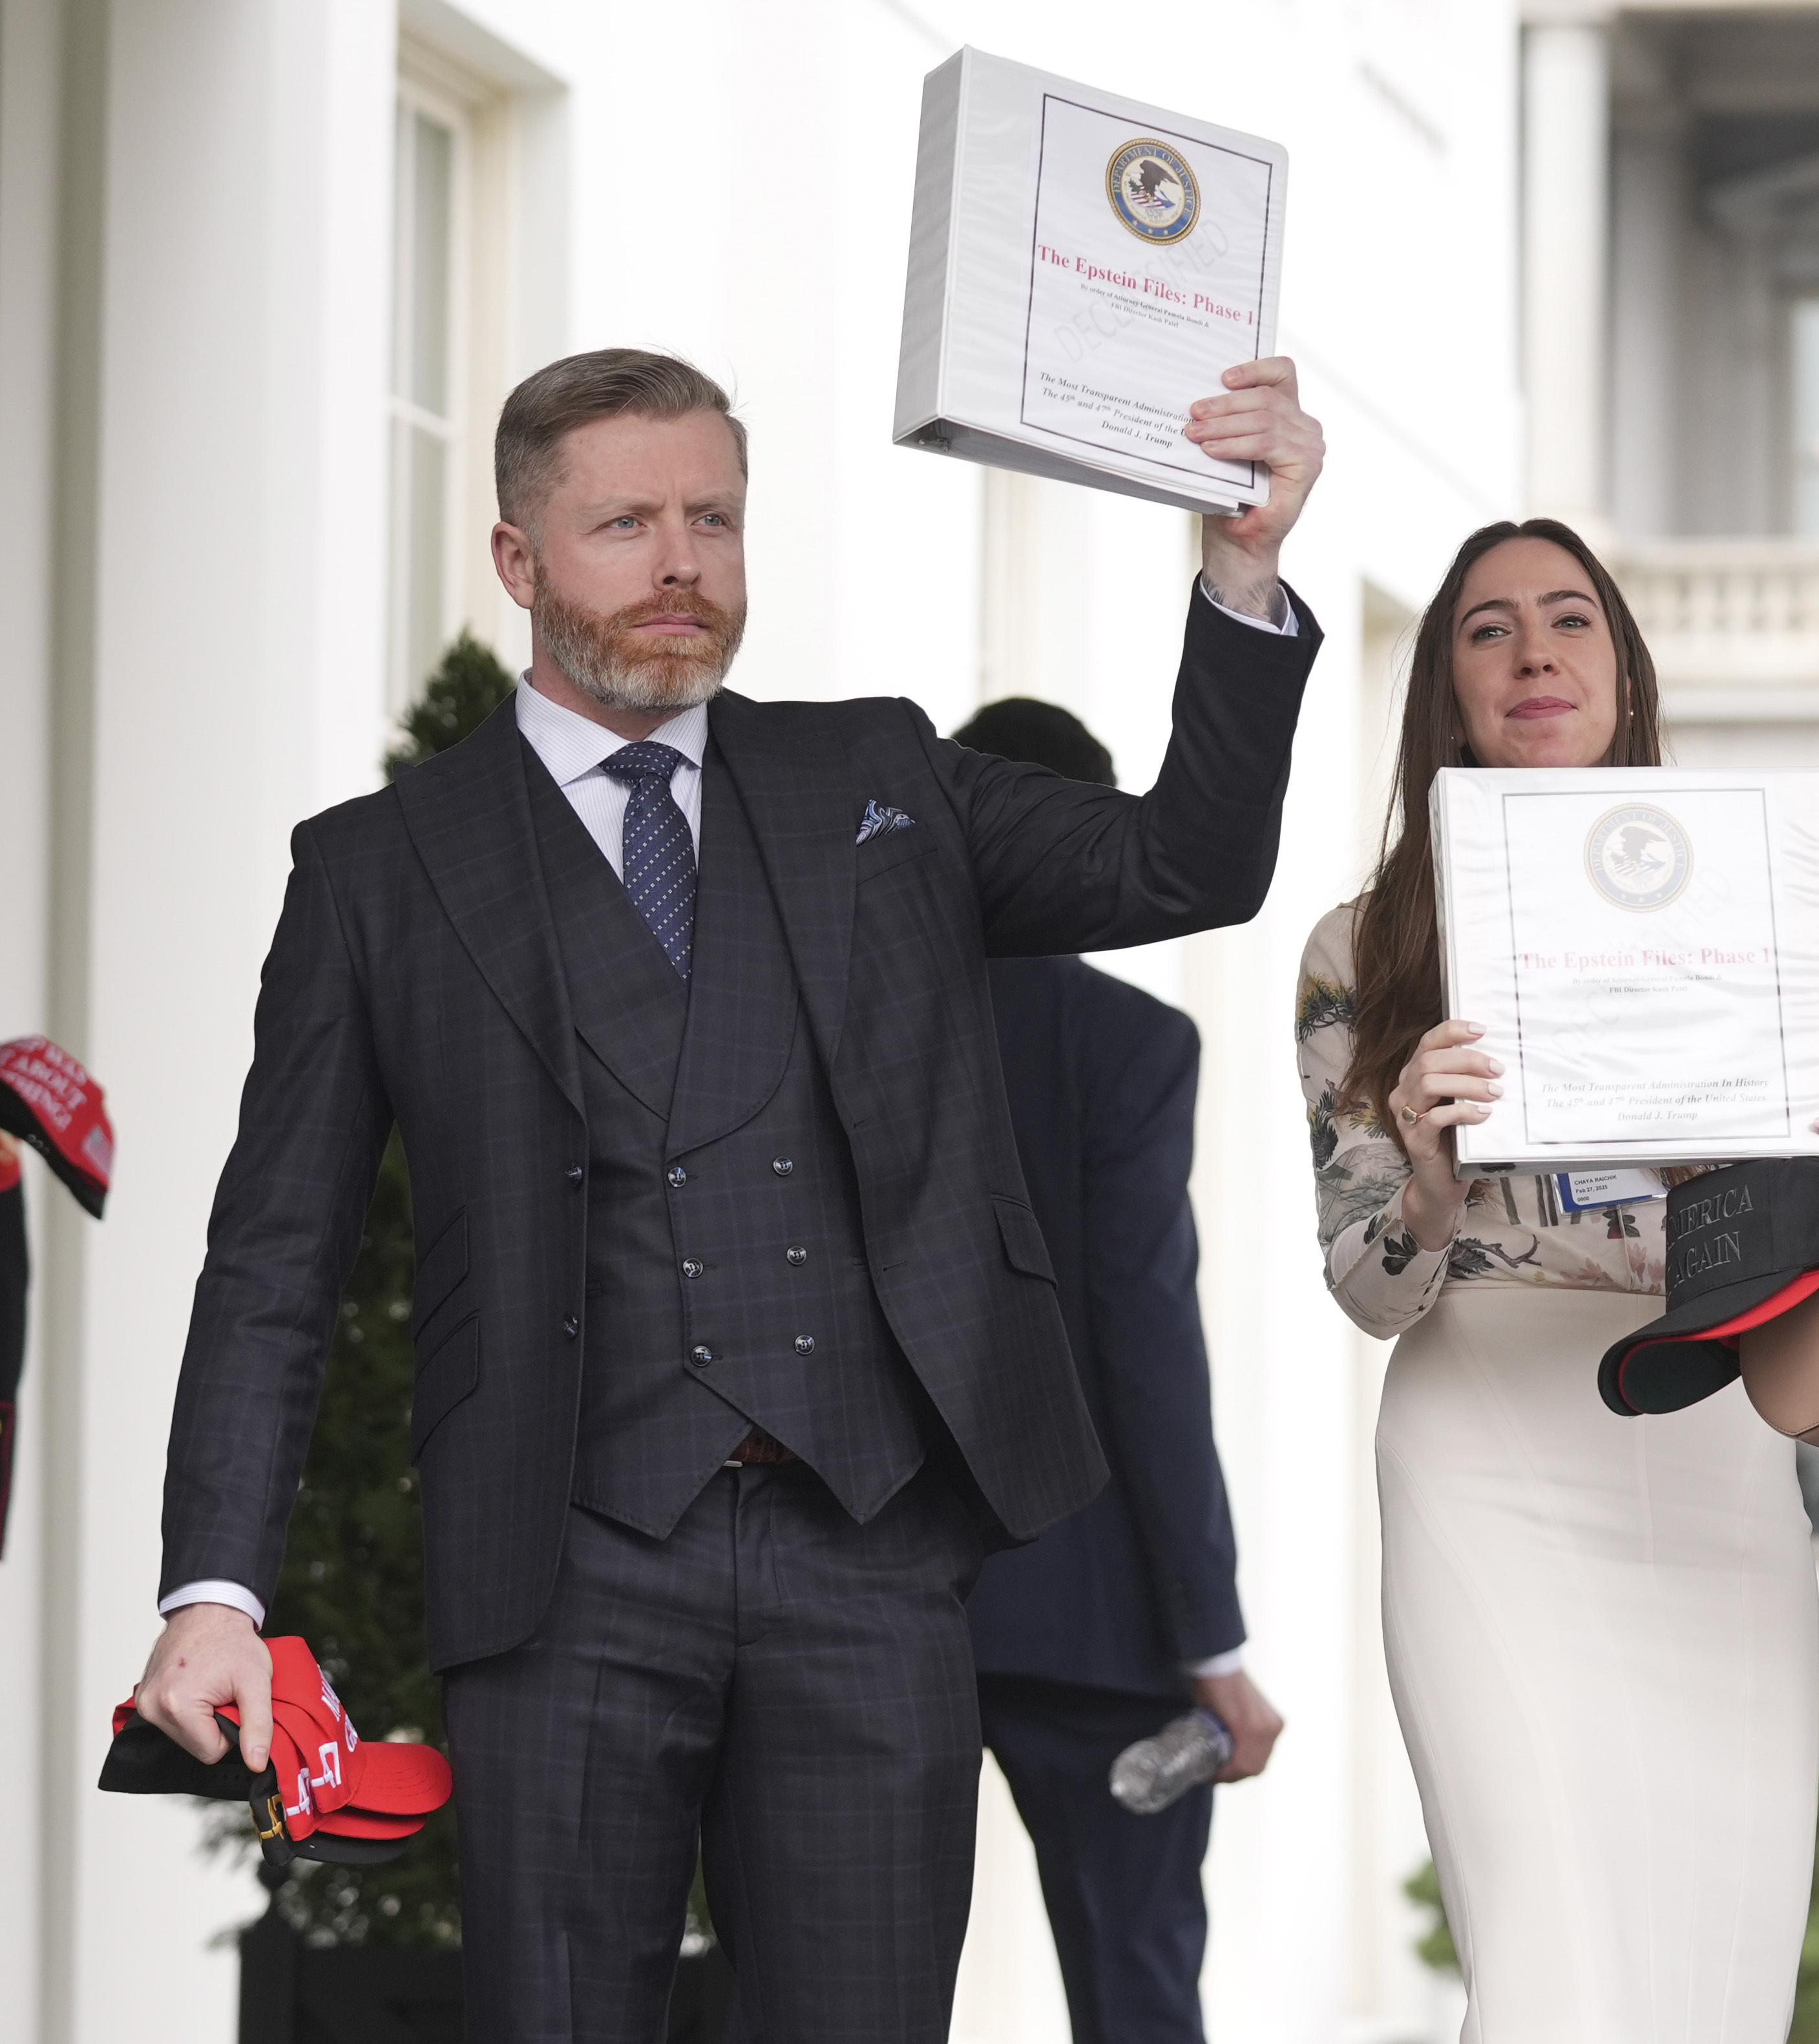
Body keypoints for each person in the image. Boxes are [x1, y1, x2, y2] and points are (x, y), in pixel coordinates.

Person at [131, 344, 1324, 2043]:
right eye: (624, 522)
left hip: (870, 1552)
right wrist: (214, 1593)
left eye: (714, 516)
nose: (682, 560)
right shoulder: (380, 873)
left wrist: (1242, 568)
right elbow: (275, 1257)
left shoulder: (882, 780)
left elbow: (1183, 864)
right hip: (561, 1567)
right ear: (518, 559)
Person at [1294, 517, 1819, 2042]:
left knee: (1718, 1976)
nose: (1536, 653)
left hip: (1707, 1440)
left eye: (1570, 621)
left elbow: (1812, 1247)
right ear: (1447, 689)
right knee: (1550, 1972)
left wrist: (1818, 1169)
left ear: (1624, 670)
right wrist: (1426, 1171)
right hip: (1487, 1453)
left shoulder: (1737, 907)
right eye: (1490, 629)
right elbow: (1365, 1287)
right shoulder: (1365, 946)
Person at [951, 695, 1279, 2044]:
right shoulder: (1129, 1045)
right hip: (1089, 1610)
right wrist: (1210, 1634)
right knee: (1135, 1992)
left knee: (831, 1985)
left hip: (852, 1596)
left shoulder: (819, 1017)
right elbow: (1146, 1341)